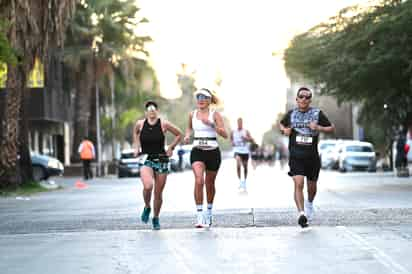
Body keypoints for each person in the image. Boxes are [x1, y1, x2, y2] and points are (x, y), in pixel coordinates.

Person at [279, 87, 335, 228]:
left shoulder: (317, 113)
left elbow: (331, 127)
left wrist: (319, 128)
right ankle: (301, 214)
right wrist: (284, 130)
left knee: (312, 187)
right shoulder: (291, 114)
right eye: (301, 97)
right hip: (296, 156)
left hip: (312, 157)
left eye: (307, 97)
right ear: (297, 99)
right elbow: (282, 124)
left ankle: (309, 203)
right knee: (298, 183)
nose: (304, 99)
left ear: (310, 100)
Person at [133, 100, 182, 230]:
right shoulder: (140, 124)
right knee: (148, 186)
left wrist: (171, 147)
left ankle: (155, 218)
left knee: (158, 193)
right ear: (146, 112)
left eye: (154, 109)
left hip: (162, 159)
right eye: (149, 109)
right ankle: (147, 206)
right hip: (146, 158)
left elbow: (179, 134)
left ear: (157, 111)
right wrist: (136, 148)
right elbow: (136, 134)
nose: (152, 111)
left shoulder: (163, 124)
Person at [184, 88, 228, 228]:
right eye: (198, 97)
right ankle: (199, 215)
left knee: (209, 184)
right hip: (197, 151)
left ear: (209, 100)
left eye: (204, 97)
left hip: (213, 152)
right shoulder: (192, 114)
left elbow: (225, 134)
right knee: (199, 180)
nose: (201, 100)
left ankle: (208, 211)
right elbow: (189, 129)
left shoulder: (215, 115)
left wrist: (211, 124)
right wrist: (187, 135)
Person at [231, 118, 254, 190]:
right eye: (238, 123)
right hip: (237, 151)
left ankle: (245, 182)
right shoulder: (233, 131)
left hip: (245, 151)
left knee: (245, 167)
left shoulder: (246, 131)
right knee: (238, 164)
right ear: (237, 123)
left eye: (241, 123)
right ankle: (240, 181)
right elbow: (231, 139)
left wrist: (246, 138)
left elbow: (252, 140)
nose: (239, 124)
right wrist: (232, 143)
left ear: (242, 123)